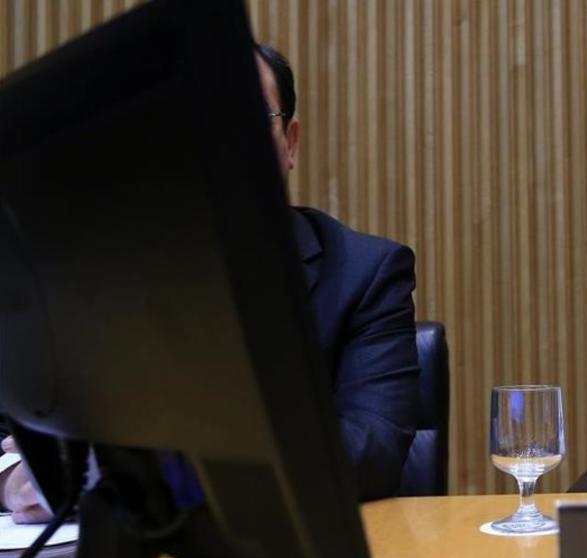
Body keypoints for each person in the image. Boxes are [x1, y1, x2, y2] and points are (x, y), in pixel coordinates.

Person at [0, 44, 419, 521]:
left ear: (290, 143)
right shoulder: (86, 276)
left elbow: (376, 450)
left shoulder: (365, 273)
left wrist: (154, 459)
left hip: (285, 552)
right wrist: (11, 479)